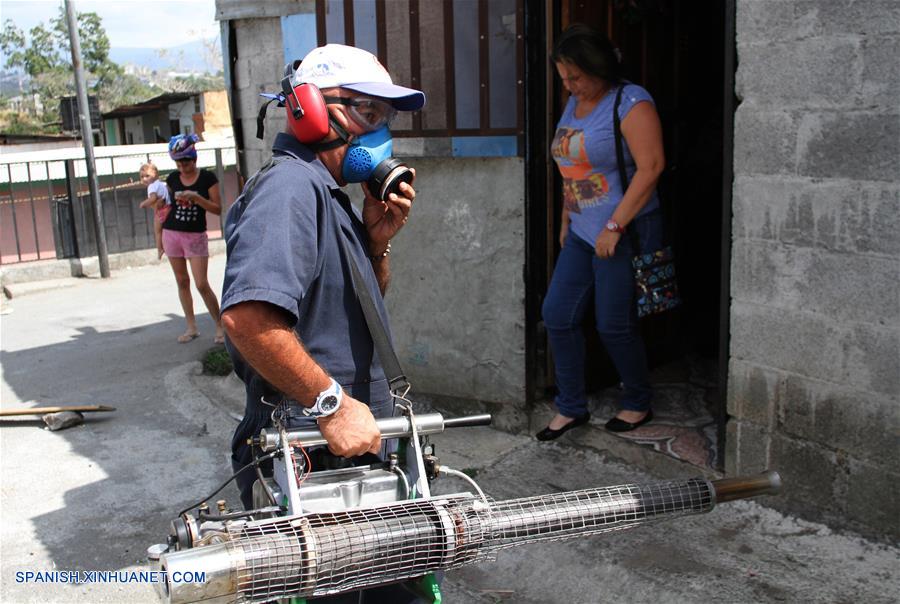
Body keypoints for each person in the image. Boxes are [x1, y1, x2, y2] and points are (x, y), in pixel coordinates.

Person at [537, 24, 665, 441]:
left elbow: (652, 167)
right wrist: (564, 219)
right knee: (557, 314)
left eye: (576, 76)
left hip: (621, 229)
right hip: (581, 228)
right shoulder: (574, 105)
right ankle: (572, 407)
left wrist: (615, 225)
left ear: (599, 68)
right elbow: (570, 167)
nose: (570, 86)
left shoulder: (630, 102)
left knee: (614, 324)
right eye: (564, 78)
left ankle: (638, 400)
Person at [162, 134, 226, 344]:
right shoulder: (171, 179)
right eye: (178, 163)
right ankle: (191, 327)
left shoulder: (207, 178)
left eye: (186, 162)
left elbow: (217, 209)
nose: (182, 167)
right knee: (182, 281)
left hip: (196, 235)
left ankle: (220, 324)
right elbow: (167, 206)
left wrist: (197, 198)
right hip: (171, 233)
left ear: (194, 159)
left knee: (201, 283)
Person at [138, 162, 171, 259]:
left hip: (162, 211)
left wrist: (143, 204)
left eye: (147, 176)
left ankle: (160, 249)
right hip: (169, 208)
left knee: (158, 231)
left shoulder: (151, 186)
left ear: (155, 174)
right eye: (142, 177)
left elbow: (153, 198)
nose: (144, 179)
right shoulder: (162, 184)